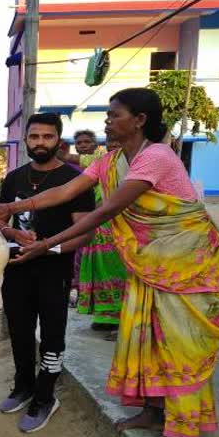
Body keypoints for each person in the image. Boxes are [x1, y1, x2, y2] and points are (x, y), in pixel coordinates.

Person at [0, 88, 219, 437]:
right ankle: (153, 412)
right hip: (150, 265)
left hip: (187, 265)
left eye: (114, 114)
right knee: (146, 337)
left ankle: (183, 429)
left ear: (139, 120)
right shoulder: (111, 160)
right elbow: (63, 192)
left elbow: (103, 213)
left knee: (180, 345)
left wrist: (47, 244)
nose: (106, 120)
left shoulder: (157, 157)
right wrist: (9, 206)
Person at [0, 113, 96, 433]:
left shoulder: (75, 179)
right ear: (25, 140)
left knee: (52, 335)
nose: (40, 143)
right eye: (34, 137)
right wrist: (13, 236)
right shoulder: (14, 178)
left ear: (58, 140)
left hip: (54, 269)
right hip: (16, 269)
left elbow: (85, 232)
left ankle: (45, 397)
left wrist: (48, 248)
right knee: (20, 331)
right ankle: (23, 386)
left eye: (47, 137)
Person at [62, 135, 128, 337]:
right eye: (110, 140)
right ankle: (104, 315)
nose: (114, 144)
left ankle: (123, 316)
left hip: (124, 227)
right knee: (99, 269)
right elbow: (74, 159)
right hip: (99, 227)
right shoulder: (103, 161)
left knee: (120, 270)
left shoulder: (137, 160)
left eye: (118, 140)